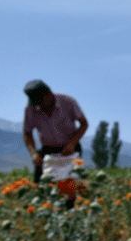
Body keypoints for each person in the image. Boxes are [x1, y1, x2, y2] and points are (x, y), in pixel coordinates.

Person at [22, 80, 89, 210]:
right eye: (36, 103)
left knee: (71, 186)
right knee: (41, 185)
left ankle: (71, 213)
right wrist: (34, 153)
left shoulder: (68, 102)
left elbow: (84, 124)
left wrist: (72, 143)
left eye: (40, 101)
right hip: (48, 150)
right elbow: (27, 133)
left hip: (70, 149)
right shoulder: (30, 109)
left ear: (49, 94)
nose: (39, 106)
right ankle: (44, 212)